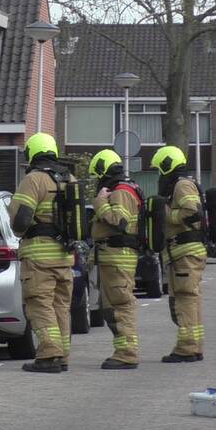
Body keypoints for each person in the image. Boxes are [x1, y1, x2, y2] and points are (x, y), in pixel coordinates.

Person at [9, 133, 75, 373]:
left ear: (31, 153)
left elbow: (20, 220)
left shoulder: (33, 179)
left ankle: (49, 355)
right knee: (60, 307)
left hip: (39, 257)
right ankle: (62, 355)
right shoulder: (69, 178)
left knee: (39, 304)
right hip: (65, 256)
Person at [151, 145, 206, 363]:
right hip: (183, 252)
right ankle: (194, 345)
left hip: (185, 251)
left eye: (160, 169)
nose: (159, 174)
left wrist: (167, 215)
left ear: (167, 165)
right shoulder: (181, 183)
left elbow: (193, 212)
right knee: (190, 299)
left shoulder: (182, 185)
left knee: (185, 299)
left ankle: (187, 348)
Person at [89, 150, 142, 370]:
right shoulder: (121, 189)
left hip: (119, 256)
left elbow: (119, 221)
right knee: (112, 307)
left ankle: (127, 353)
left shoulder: (121, 191)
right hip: (114, 257)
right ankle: (122, 351)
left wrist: (100, 202)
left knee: (121, 304)